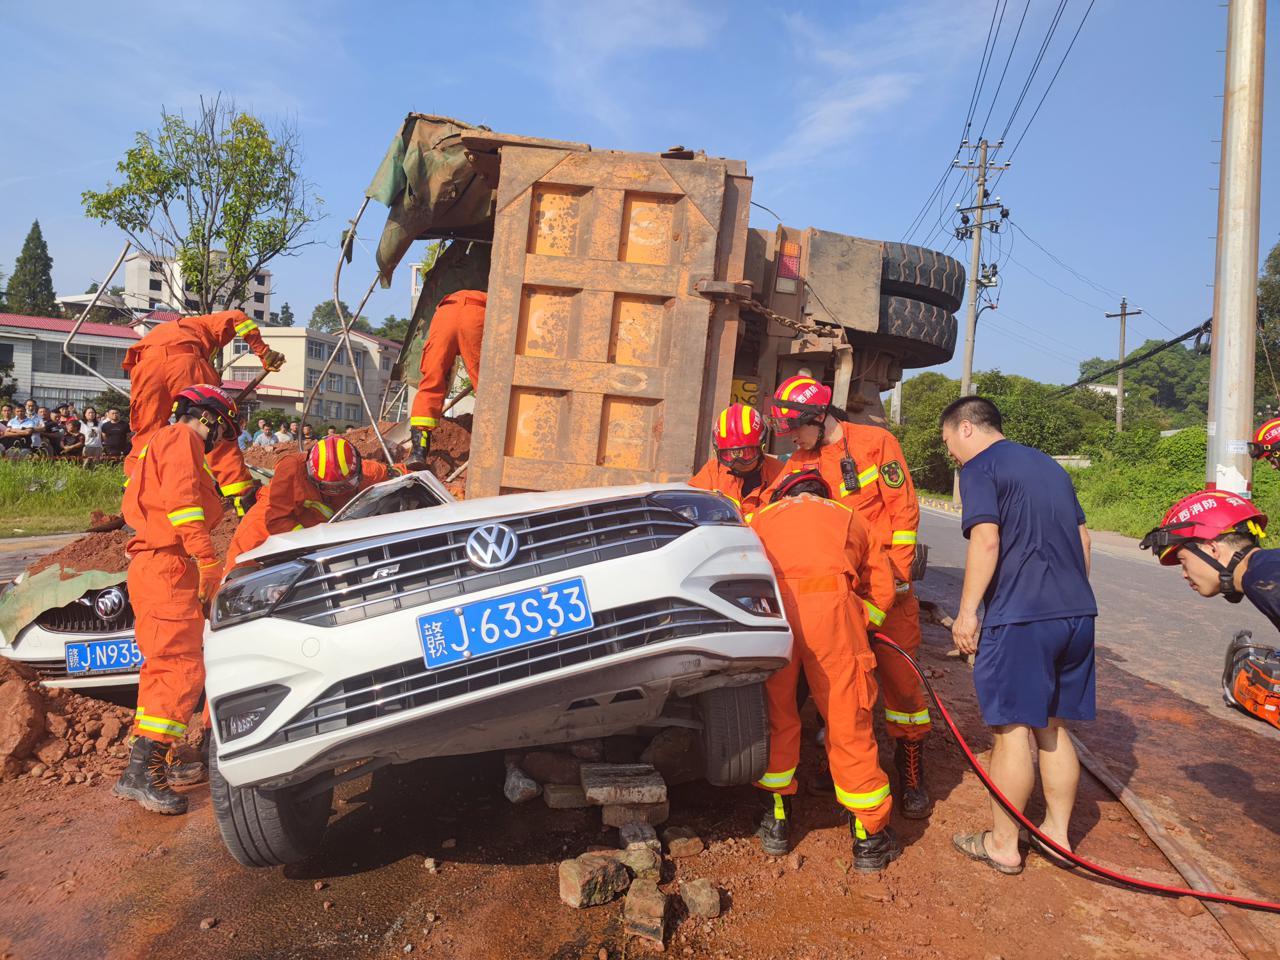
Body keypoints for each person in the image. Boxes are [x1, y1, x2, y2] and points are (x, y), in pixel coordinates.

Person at [940, 396, 1096, 875]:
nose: (951, 454)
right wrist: (1069, 597)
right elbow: (1084, 539)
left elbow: (986, 539)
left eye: (949, 443)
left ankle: (1004, 844)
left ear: (967, 428)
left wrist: (967, 614)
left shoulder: (981, 468)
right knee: (1053, 727)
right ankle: (1057, 835)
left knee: (1010, 731)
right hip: (1076, 614)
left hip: (1021, 619)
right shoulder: (1049, 466)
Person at [765, 375, 932, 818]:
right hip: (838, 599)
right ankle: (841, 772)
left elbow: (904, 514)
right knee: (840, 694)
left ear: (819, 417)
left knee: (901, 687)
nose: (794, 439)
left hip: (884, 592)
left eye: (797, 428)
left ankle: (911, 771)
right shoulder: (801, 459)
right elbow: (770, 504)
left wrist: (890, 586)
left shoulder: (876, 444)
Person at [749, 468, 900, 869]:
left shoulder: (762, 518)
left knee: (776, 717)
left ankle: (777, 819)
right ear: (825, 493)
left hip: (773, 615)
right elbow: (882, 589)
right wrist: (859, 623)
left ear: (784, 492)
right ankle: (869, 838)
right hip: (832, 612)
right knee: (847, 717)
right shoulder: (851, 517)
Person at [113, 384, 237, 815]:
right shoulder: (185, 439)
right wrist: (207, 560)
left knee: (160, 667)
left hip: (153, 567)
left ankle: (148, 761)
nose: (220, 439)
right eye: (223, 429)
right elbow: (184, 506)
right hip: (169, 565)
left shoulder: (155, 443)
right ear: (209, 419)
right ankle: (143, 770)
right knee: (182, 666)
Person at [121, 309, 285, 515]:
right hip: (185, 364)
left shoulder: (166, 330)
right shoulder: (206, 322)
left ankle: (134, 498)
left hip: (145, 368)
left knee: (147, 434)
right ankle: (242, 497)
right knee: (215, 429)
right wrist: (264, 353)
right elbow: (238, 317)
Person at [224, 436, 390, 572]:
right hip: (273, 527)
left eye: (343, 486)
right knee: (237, 573)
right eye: (327, 487)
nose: (336, 492)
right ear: (311, 475)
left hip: (319, 533)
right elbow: (276, 520)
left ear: (358, 471)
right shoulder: (292, 470)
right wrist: (310, 544)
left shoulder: (369, 471)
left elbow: (397, 473)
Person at [1140, 489, 1273, 619]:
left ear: (1212, 549)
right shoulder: (1264, 575)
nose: (1184, 574)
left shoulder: (1268, 582)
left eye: (1183, 561)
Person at [408, 290, 486, 469]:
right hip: (478, 312)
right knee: (485, 383)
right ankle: (492, 443)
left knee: (431, 379)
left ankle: (418, 451)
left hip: (446, 311)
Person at [689, 403, 784, 519]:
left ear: (762, 446)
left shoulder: (780, 475)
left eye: (747, 453)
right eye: (729, 455)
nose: (738, 461)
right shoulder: (713, 471)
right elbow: (690, 505)